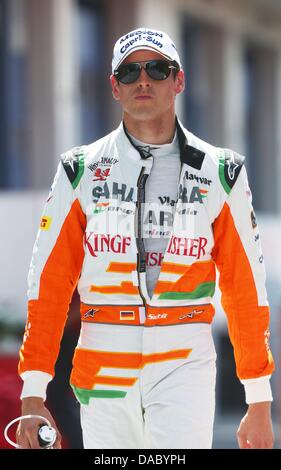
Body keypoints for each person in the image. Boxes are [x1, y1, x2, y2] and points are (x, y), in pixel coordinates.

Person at [17, 27, 275, 449]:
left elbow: (245, 288)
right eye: (130, 71)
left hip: (184, 361)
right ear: (114, 86)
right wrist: (33, 390)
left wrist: (258, 398)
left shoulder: (220, 172)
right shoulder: (78, 170)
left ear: (179, 81)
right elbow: (47, 283)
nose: (143, 80)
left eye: (157, 69)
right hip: (103, 364)